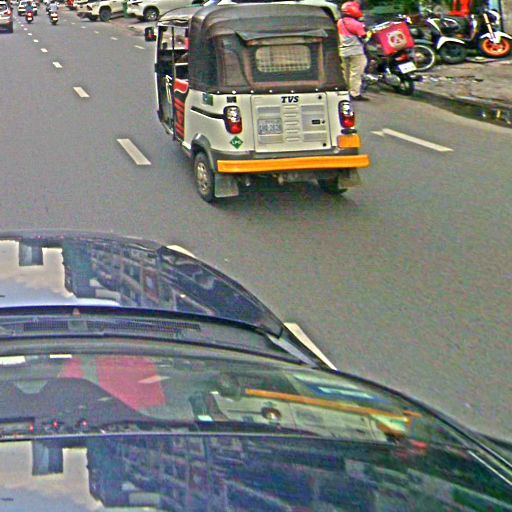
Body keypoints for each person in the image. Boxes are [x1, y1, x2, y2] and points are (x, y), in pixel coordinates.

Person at [337, 1, 369, 101]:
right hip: (356, 52)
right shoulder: (357, 24)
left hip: (343, 51)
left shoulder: (340, 22)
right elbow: (364, 36)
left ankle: (346, 91)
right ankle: (355, 93)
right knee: (356, 73)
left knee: (346, 72)